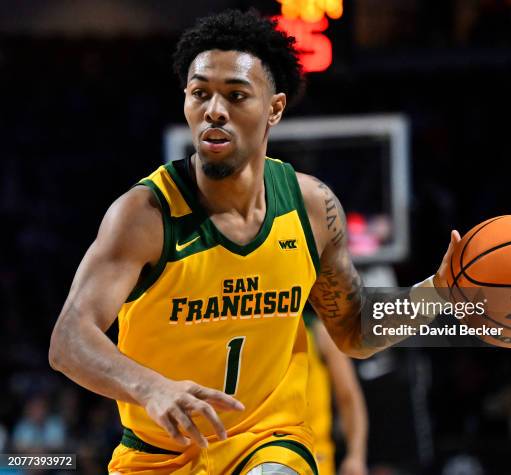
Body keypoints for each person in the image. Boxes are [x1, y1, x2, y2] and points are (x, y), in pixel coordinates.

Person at [48, 9, 460, 475]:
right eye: (200, 93)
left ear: (274, 108)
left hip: (268, 443)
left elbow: (353, 330)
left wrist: (436, 294)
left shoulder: (311, 209)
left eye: (236, 95)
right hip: (158, 456)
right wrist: (150, 387)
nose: (214, 111)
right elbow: (68, 341)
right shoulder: (144, 216)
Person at [304, 313, 368, 475]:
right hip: (267, 452)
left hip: (316, 457)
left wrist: (356, 455)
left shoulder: (317, 330)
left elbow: (348, 397)